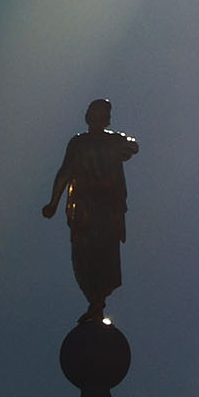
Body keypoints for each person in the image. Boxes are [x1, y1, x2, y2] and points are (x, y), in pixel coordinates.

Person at [39, 97, 139, 315]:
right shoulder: (81, 143)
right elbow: (65, 173)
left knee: (98, 254)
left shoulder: (99, 141)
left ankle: (97, 300)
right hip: (88, 210)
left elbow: (132, 147)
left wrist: (53, 204)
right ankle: (96, 300)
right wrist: (53, 203)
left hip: (103, 209)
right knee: (88, 255)